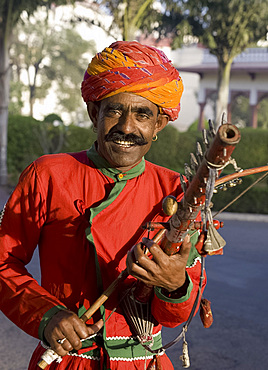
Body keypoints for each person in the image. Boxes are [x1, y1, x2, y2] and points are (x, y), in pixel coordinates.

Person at [0, 41, 206, 369]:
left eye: (142, 114)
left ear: (158, 125)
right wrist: (48, 316)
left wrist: (176, 284)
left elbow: (174, 316)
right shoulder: (48, 174)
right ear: (94, 113)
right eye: (114, 110)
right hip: (68, 361)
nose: (126, 127)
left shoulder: (176, 191)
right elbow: (3, 262)